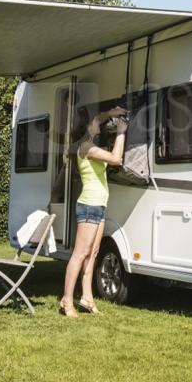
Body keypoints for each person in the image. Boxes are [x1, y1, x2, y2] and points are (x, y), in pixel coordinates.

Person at [60, 106, 128, 317]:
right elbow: (116, 159)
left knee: (93, 253)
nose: (99, 124)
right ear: (87, 128)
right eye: (95, 123)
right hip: (89, 205)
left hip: (99, 205)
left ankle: (87, 298)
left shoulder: (89, 143)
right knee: (80, 254)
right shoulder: (87, 148)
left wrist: (113, 112)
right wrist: (121, 132)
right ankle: (66, 300)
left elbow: (99, 116)